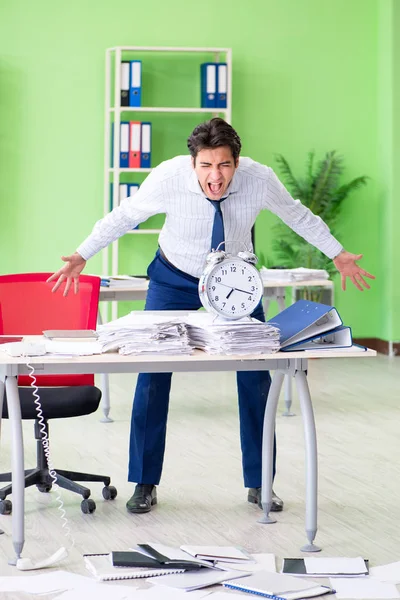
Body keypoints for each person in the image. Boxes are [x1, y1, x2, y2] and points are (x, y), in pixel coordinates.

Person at [48, 118, 375, 514]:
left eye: (223, 165)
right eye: (206, 166)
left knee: (256, 376)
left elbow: (298, 215)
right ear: (193, 163)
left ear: (237, 163)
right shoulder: (169, 178)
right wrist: (83, 254)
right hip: (173, 278)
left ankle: (260, 484)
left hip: (236, 281)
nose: (214, 176)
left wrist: (338, 253)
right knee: (152, 376)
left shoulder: (259, 179)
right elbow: (124, 216)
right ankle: (144, 483)